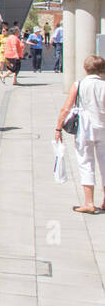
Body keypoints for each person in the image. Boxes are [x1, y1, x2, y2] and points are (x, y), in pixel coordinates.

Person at [57, 55, 105, 213]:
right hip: (103, 128)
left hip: (85, 129)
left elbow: (66, 108)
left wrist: (58, 128)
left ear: (85, 68)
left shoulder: (79, 85)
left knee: (85, 163)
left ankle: (89, 203)